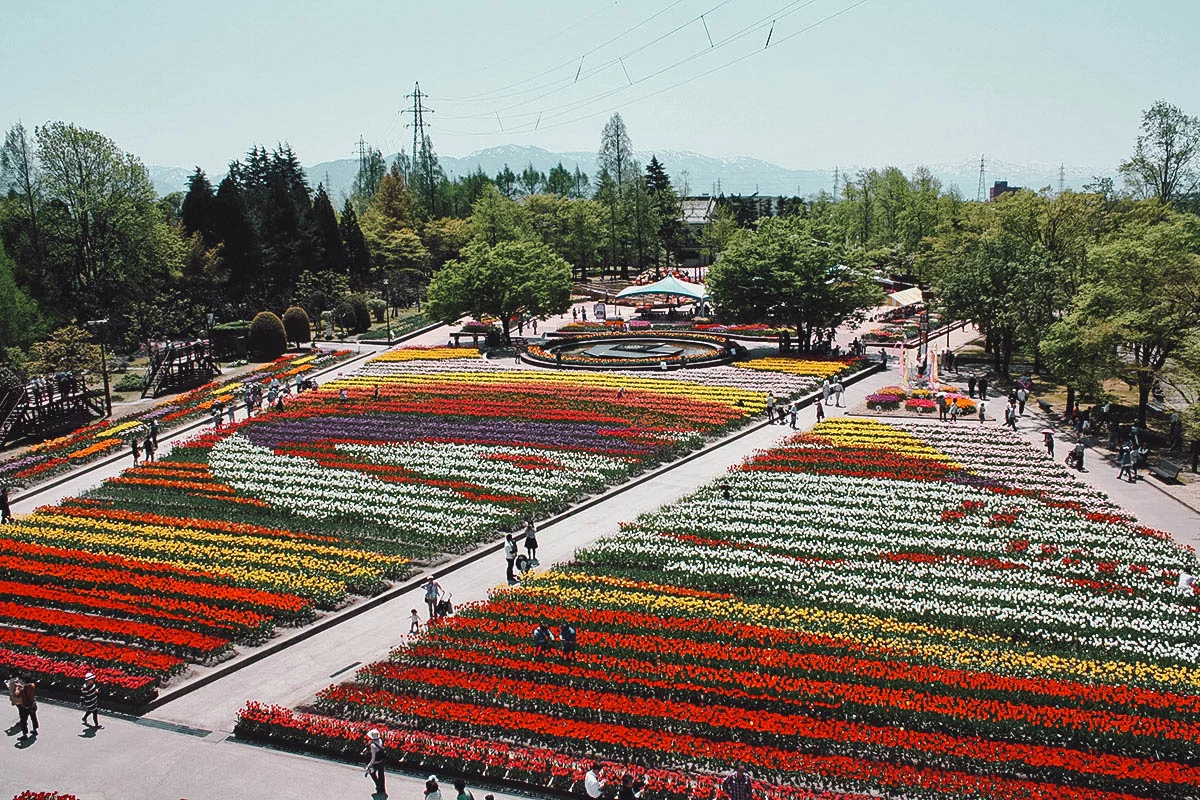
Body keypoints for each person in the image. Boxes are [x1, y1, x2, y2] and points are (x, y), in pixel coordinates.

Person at [362, 729, 387, 796]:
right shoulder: (380, 741)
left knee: (372, 773)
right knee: (381, 775)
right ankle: (382, 788)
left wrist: (368, 766)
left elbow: (373, 758)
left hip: (376, 762)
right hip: (381, 761)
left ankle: (378, 786)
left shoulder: (373, 745)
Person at [16, 675, 37, 740]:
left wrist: (17, 688)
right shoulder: (32, 685)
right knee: (33, 717)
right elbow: (27, 689)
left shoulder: (22, 689)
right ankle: (35, 729)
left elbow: (17, 694)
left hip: (25, 706)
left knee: (23, 721)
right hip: (32, 704)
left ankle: (25, 735)